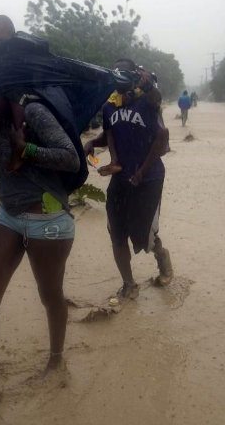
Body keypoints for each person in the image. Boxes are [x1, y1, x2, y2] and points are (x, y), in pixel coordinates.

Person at [0, 15, 80, 421]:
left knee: (50, 296)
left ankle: (57, 358)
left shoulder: (34, 109)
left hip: (49, 221)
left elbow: (73, 159)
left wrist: (31, 152)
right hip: (8, 215)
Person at [85, 58, 173, 300]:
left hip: (149, 178)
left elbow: (162, 138)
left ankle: (161, 255)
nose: (120, 77)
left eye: (126, 72)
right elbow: (109, 133)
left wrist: (142, 172)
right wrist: (92, 143)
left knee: (143, 235)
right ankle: (129, 284)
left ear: (135, 75)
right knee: (116, 232)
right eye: (117, 72)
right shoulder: (110, 106)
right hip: (121, 177)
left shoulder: (148, 101)